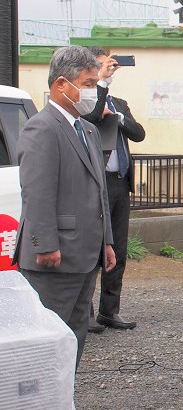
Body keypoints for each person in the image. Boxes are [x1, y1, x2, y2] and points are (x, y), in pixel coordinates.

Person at [13, 45, 116, 366]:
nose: (92, 92)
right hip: (55, 255)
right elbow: (37, 192)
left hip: (86, 253)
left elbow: (99, 190)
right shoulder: (42, 127)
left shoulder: (88, 129)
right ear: (61, 84)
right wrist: (44, 243)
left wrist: (107, 241)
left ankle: (64, 388)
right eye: (88, 84)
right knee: (47, 336)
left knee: (75, 332)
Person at [82, 46, 145, 331]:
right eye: (99, 65)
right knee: (92, 247)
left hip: (120, 181)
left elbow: (139, 133)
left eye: (107, 65)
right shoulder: (85, 101)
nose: (106, 69)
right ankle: (84, 311)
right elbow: (93, 115)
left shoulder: (118, 102)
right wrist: (102, 84)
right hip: (96, 182)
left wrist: (118, 117)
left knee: (118, 247)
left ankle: (110, 310)